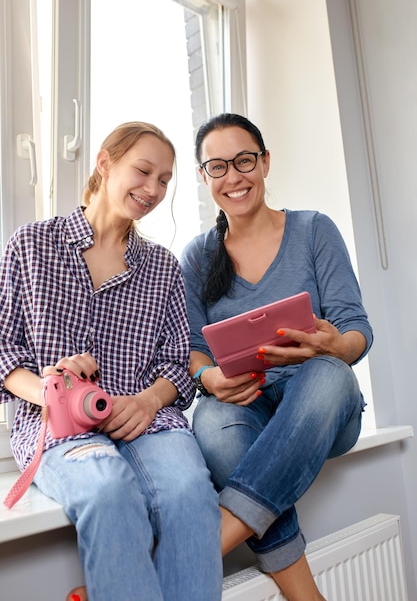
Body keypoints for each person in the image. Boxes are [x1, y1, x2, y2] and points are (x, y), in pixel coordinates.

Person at [0, 122, 222, 601]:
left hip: (151, 423)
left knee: (192, 497)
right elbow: (4, 352)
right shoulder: (30, 246)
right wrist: (51, 389)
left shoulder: (162, 267)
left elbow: (175, 362)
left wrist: (145, 403)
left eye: (164, 180)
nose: (153, 189)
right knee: (110, 494)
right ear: (104, 163)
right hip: (57, 427)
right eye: (143, 171)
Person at [180, 113, 373, 601]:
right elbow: (192, 351)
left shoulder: (313, 230)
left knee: (326, 374)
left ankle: (201, 549)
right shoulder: (198, 257)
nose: (233, 177)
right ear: (204, 178)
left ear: (265, 163)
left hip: (321, 405)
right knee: (213, 428)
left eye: (244, 160)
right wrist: (209, 379)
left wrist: (334, 345)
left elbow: (357, 330)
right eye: (217, 167)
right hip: (250, 402)